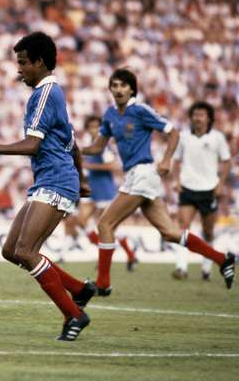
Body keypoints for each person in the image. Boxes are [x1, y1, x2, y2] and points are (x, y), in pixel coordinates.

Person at [0, 32, 95, 342]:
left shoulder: (45, 94)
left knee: (26, 250)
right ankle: (79, 289)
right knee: (11, 250)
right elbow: (72, 142)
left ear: (39, 62)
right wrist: (83, 178)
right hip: (54, 179)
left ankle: (74, 314)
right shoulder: (52, 94)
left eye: (23, 63)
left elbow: (33, 145)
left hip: (56, 180)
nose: (19, 69)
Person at [82, 68, 235, 295]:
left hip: (143, 173)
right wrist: (73, 149)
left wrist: (166, 160)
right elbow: (97, 147)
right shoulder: (110, 115)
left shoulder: (140, 110)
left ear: (132, 89)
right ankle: (222, 259)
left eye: (123, 85)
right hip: (136, 176)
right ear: (110, 89)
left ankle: (103, 283)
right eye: (114, 85)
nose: (118, 89)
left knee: (105, 224)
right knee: (170, 232)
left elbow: (173, 132)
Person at [64, 116, 138, 271]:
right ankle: (105, 250)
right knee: (82, 221)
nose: (94, 130)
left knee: (110, 226)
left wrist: (90, 166)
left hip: (104, 190)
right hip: (90, 190)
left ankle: (130, 254)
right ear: (87, 129)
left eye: (97, 127)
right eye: (91, 127)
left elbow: (114, 166)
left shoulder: (103, 147)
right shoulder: (86, 146)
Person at [171, 102, 231, 281]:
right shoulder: (184, 137)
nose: (197, 118)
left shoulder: (217, 137)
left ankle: (206, 268)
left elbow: (226, 161)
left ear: (209, 118)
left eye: (201, 115)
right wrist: (176, 180)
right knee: (183, 228)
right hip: (188, 188)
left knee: (209, 231)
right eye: (195, 114)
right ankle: (181, 267)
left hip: (208, 189)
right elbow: (176, 160)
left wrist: (220, 184)